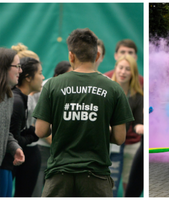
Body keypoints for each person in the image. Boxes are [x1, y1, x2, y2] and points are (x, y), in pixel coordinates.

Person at [33, 28, 134, 197]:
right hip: (96, 177)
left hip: (59, 175)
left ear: (71, 56)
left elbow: (40, 131)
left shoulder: (52, 85)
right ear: (96, 56)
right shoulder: (114, 88)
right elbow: (119, 137)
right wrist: (97, 128)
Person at [29, 61, 72, 197]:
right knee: (36, 191)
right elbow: (37, 124)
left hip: (62, 152)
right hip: (43, 149)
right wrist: (55, 142)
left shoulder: (75, 90)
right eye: (68, 76)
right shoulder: (43, 89)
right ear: (57, 76)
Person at [3, 57, 44, 197]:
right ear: (28, 77)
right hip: (6, 163)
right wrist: (34, 134)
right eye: (40, 73)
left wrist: (32, 132)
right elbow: (12, 139)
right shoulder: (17, 101)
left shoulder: (23, 99)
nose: (43, 77)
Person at [111, 55, 144, 192]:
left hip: (121, 143)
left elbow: (137, 122)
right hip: (105, 144)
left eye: (127, 69)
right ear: (115, 69)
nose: (123, 72)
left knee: (126, 181)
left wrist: (141, 127)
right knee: (110, 183)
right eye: (121, 68)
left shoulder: (137, 96)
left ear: (133, 73)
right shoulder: (106, 90)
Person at [0, 48, 26, 197]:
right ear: (3, 67)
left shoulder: (8, 96)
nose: (20, 71)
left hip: (3, 165)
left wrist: (15, 147)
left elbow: (3, 130)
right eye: (17, 66)